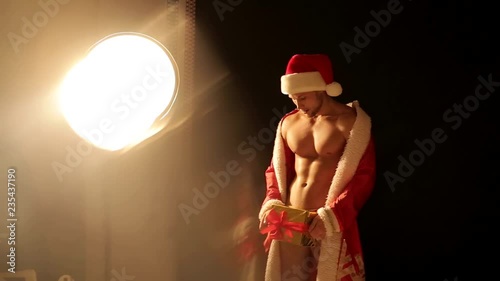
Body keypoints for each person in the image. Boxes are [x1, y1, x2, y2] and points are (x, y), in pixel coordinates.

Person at [258, 54, 376, 281]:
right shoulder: (288, 123)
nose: (298, 104)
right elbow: (275, 170)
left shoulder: (351, 122)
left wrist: (334, 216)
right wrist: (270, 203)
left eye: (302, 97)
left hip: (327, 221)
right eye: (293, 98)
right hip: (290, 218)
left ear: (320, 89)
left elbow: (364, 177)